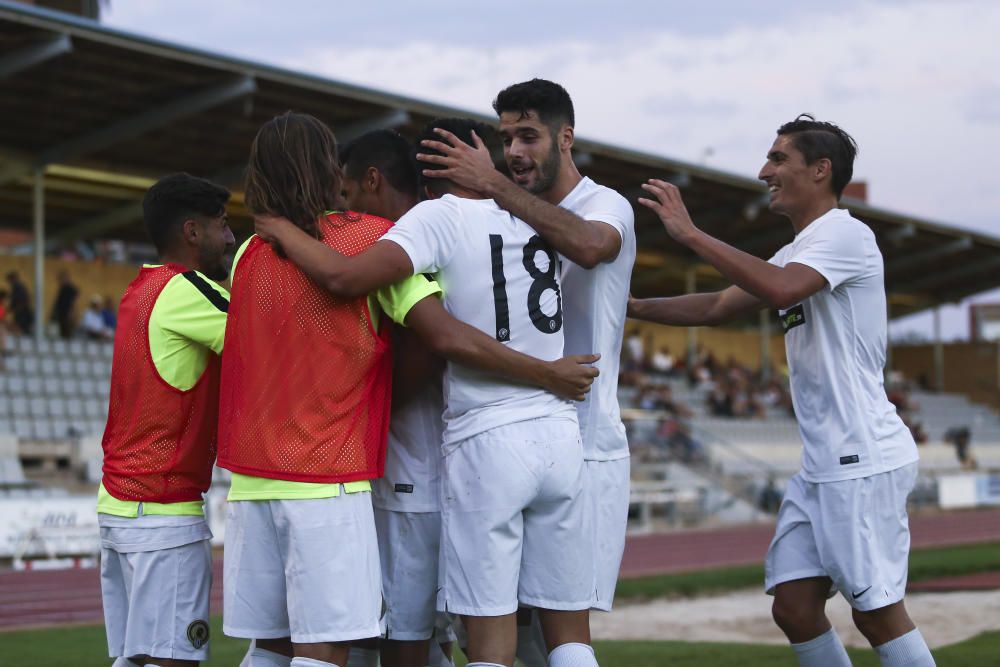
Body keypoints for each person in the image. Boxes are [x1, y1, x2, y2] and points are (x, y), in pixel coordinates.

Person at [223, 113, 597, 667]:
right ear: (326, 168)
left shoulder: (248, 253)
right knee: (352, 642)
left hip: (254, 479)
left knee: (274, 644)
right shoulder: (372, 239)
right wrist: (547, 372)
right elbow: (436, 337)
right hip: (336, 473)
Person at [628, 115, 933, 667]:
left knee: (876, 612)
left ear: (820, 171)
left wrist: (690, 233)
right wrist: (625, 309)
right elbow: (719, 305)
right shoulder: (801, 247)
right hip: (823, 463)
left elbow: (780, 287)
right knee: (794, 607)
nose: (764, 171)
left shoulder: (844, 232)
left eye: (777, 159)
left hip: (860, 455)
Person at [415, 78, 635, 666]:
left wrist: (489, 184)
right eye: (507, 138)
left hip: (586, 437)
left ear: (566, 137)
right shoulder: (506, 212)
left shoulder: (603, 203)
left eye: (529, 136)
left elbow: (590, 247)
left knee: (534, 625)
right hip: (532, 428)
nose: (514, 152)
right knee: (518, 626)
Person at [99, 173, 234, 667]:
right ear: (193, 232)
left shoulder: (140, 289)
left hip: (120, 503)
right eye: (223, 225)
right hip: (162, 510)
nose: (231, 237)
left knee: (134, 659)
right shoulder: (186, 289)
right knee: (174, 660)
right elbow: (264, 333)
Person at [339, 129, 456, 667]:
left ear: (372, 180)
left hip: (414, 474)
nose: (345, 207)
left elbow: (429, 349)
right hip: (436, 469)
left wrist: (361, 412)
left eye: (347, 193)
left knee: (401, 636)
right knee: (425, 635)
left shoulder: (407, 244)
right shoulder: (444, 232)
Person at [51, 269, 79, 339]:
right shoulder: (62, 290)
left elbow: (73, 303)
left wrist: (71, 314)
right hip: (62, 315)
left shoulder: (69, 289)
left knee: (67, 334)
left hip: (67, 316)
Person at [5, 271, 32, 335]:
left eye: (10, 280)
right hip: (22, 312)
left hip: (23, 313)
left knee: (22, 330)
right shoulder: (18, 287)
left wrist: (7, 310)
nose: (9, 283)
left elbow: (17, 301)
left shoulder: (18, 287)